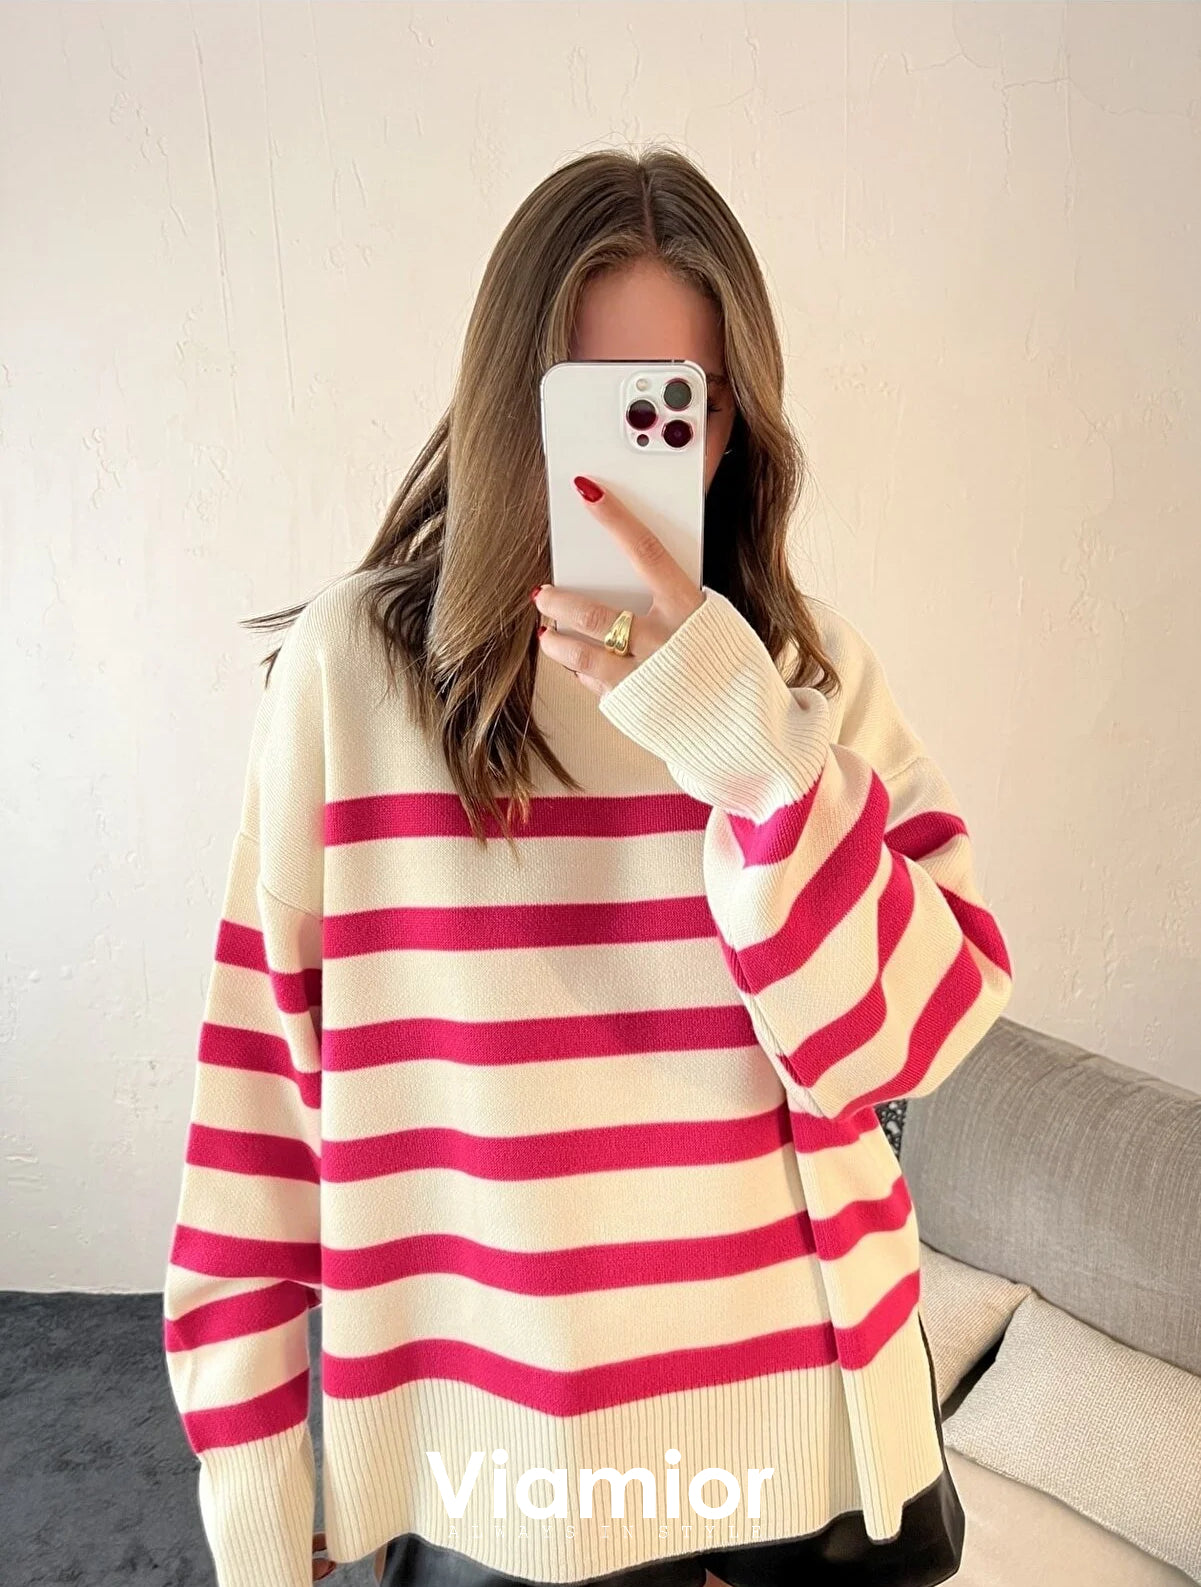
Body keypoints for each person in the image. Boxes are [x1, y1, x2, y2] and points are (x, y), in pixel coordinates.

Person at [162, 145, 1012, 1587]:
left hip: (814, 1445)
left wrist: (754, 759)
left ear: (734, 419)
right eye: (589, 403)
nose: (632, 455)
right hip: (512, 1468)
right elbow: (257, 1119)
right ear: (512, 407)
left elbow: (914, 1046)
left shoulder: (803, 676)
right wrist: (256, 1499)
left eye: (680, 403)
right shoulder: (355, 678)